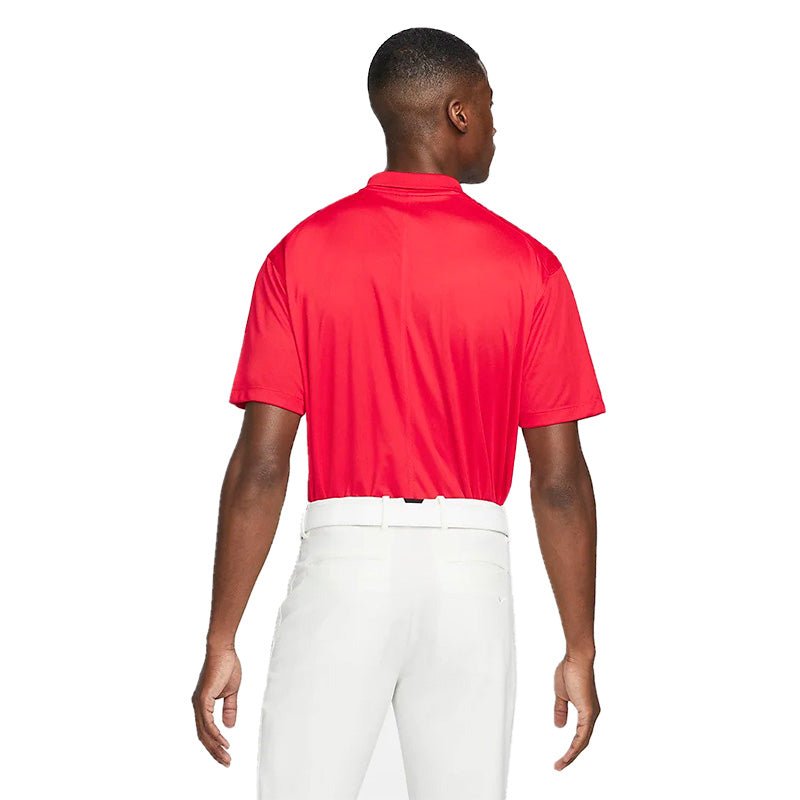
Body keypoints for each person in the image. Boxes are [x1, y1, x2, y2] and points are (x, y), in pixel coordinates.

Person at [192, 26, 605, 800]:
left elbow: (262, 464)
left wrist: (222, 635)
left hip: (343, 558)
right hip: (472, 569)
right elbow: (558, 482)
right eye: (489, 105)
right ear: (457, 113)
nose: (495, 125)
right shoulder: (532, 269)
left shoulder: (299, 255)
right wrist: (578, 646)